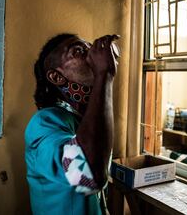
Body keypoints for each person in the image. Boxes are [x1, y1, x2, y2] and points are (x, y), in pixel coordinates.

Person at [24, 33, 119, 214]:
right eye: (78, 51)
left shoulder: (83, 119)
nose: (91, 54)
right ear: (57, 77)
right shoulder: (42, 124)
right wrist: (104, 74)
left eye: (89, 47)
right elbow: (88, 175)